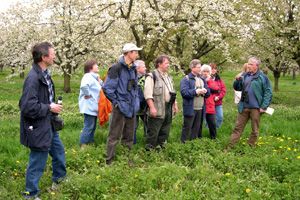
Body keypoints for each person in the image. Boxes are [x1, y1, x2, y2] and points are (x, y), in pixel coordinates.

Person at [19, 42, 66, 199]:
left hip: (48, 124)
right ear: (44, 57)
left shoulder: (45, 74)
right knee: (38, 160)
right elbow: (26, 106)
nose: (54, 56)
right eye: (52, 54)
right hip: (38, 127)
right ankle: (31, 194)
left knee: (58, 152)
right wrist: (49, 107)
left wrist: (52, 107)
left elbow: (45, 99)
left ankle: (59, 181)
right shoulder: (33, 79)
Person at [103, 43, 142, 165]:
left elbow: (134, 88)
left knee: (129, 136)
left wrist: (135, 102)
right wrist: (116, 102)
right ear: (129, 53)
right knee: (114, 135)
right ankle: (109, 161)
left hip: (131, 107)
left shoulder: (133, 68)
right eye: (135, 52)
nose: (137, 54)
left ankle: (127, 160)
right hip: (120, 107)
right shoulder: (116, 68)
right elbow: (107, 88)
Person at [227, 56, 272, 148]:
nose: (248, 65)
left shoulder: (263, 77)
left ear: (257, 66)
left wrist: (264, 106)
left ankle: (250, 148)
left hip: (256, 108)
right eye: (248, 63)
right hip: (244, 106)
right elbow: (237, 88)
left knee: (255, 130)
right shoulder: (244, 75)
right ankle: (230, 147)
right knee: (237, 128)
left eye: (251, 64)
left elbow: (268, 92)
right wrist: (237, 80)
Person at [144, 55, 179, 150]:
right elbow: (148, 94)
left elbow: (172, 92)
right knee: (154, 132)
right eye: (166, 63)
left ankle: (161, 150)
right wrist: (152, 107)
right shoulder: (152, 76)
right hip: (157, 107)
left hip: (168, 107)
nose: (168, 65)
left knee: (165, 130)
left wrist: (175, 104)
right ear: (159, 64)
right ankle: (149, 152)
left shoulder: (168, 77)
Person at [180, 59, 210, 143]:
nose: (200, 69)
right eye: (198, 67)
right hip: (190, 108)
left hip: (200, 108)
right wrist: (195, 91)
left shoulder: (202, 79)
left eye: (200, 67)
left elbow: (208, 93)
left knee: (196, 128)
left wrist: (205, 91)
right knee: (187, 128)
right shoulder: (186, 79)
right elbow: (184, 93)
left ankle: (193, 144)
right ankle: (183, 145)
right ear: (192, 68)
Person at [78, 59, 102, 148]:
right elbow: (84, 86)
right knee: (89, 126)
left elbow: (101, 87)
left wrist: (99, 79)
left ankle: (90, 143)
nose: (98, 66)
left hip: (93, 106)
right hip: (89, 106)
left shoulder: (93, 77)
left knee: (92, 126)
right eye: (96, 65)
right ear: (90, 67)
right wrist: (88, 94)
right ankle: (83, 146)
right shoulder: (87, 76)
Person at [201, 64, 219, 139]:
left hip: (210, 104)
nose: (205, 73)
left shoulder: (211, 80)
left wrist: (209, 81)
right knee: (199, 123)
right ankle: (198, 137)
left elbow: (216, 89)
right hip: (201, 104)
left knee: (212, 123)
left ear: (210, 72)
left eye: (207, 71)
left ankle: (213, 138)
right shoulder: (199, 80)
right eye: (204, 71)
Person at [133, 60, 147, 144]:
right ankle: (133, 144)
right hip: (135, 107)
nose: (145, 68)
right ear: (138, 68)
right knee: (133, 126)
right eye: (143, 66)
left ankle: (147, 142)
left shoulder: (147, 77)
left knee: (148, 125)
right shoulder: (133, 78)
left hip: (145, 106)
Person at [210, 63, 226, 128]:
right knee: (208, 118)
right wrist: (213, 97)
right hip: (209, 103)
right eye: (212, 69)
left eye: (215, 69)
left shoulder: (219, 79)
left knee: (220, 117)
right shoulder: (206, 79)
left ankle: (217, 129)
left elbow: (223, 90)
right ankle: (207, 131)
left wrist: (219, 97)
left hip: (218, 102)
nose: (213, 70)